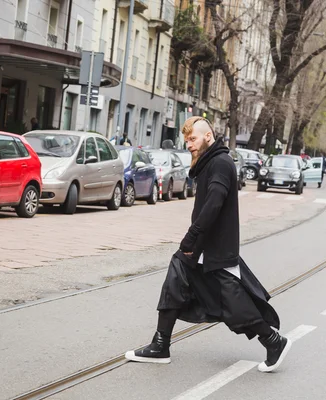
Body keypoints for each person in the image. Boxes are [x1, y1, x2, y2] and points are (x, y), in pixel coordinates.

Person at [125, 116, 291, 373]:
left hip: (215, 249)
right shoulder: (211, 163)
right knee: (176, 278)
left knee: (233, 304)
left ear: (208, 137)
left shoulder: (220, 164)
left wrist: (192, 237)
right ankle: (160, 344)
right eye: (186, 140)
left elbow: (214, 203)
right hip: (204, 248)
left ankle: (273, 340)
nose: (188, 145)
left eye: (192, 139)